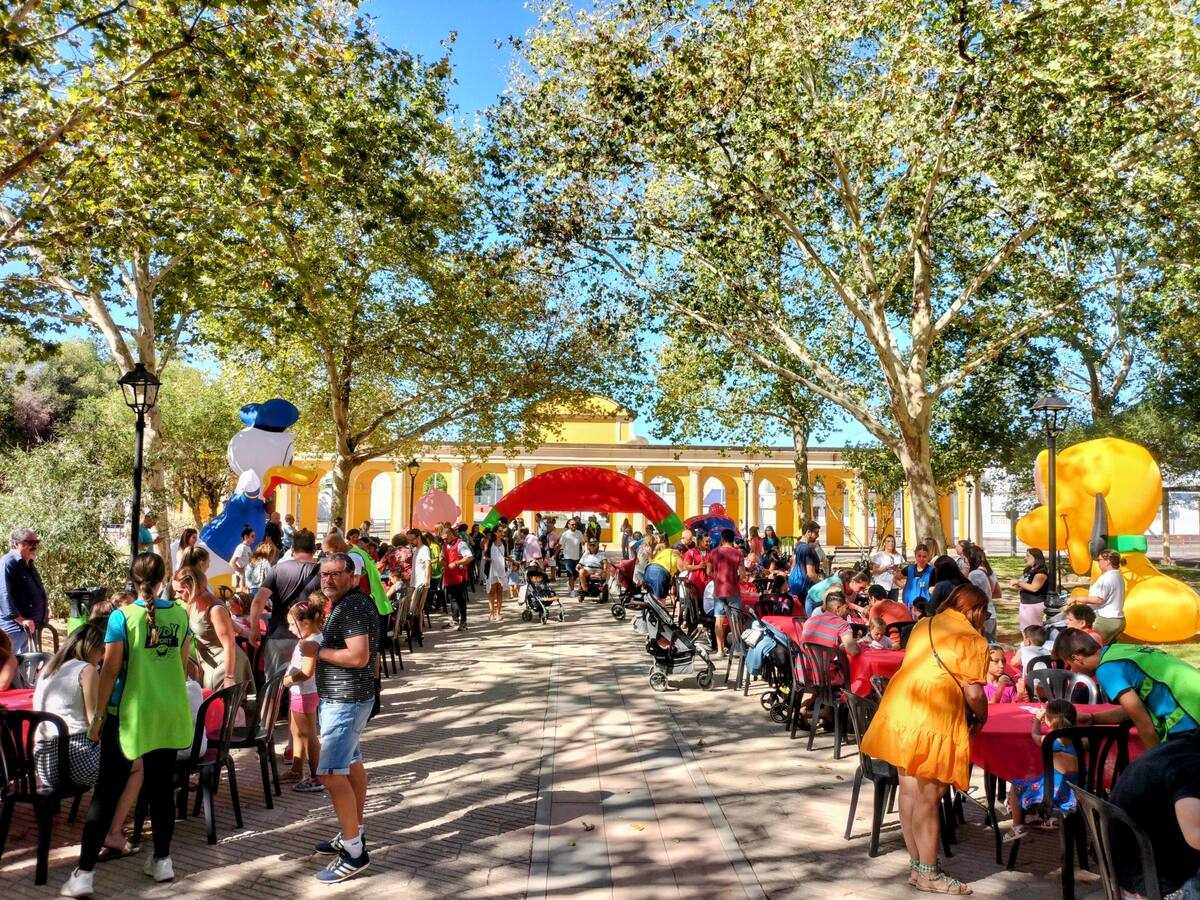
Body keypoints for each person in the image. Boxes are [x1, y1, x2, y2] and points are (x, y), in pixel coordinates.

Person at [61, 553, 192, 897]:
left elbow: (111, 669)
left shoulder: (122, 617)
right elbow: (181, 663)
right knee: (162, 789)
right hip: (167, 713)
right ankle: (163, 861)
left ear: (133, 580)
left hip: (129, 716)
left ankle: (84, 874)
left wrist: (99, 716)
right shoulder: (180, 615)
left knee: (106, 793)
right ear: (163, 579)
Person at [860, 583, 990, 895]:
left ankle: (918, 867)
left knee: (909, 791)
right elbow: (973, 692)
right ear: (975, 611)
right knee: (929, 798)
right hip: (934, 715)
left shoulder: (924, 624)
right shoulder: (972, 639)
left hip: (903, 709)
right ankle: (929, 873)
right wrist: (982, 716)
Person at [303, 552, 378, 883]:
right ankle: (354, 831)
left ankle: (354, 852)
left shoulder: (353, 607)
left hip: (346, 701)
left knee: (331, 774)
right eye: (323, 575)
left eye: (335, 574)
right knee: (352, 766)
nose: (328, 580)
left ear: (352, 575)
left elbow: (359, 657)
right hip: (350, 698)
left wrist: (317, 651)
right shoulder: (352, 603)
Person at [1053, 629, 1200, 748]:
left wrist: (1156, 762)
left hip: (1189, 717)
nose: (1073, 671)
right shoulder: (1118, 650)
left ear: (1077, 658)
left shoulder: (1106, 670)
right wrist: (1093, 718)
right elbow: (1134, 709)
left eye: (1069, 665)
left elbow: (1144, 724)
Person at [1110, 729, 1200, 898]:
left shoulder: (1179, 746)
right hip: (1159, 883)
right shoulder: (1191, 766)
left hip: (1128, 871)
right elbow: (1196, 836)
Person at [33, 622, 105, 790]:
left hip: (44, 763)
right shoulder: (87, 670)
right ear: (91, 648)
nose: (102, 657)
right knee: (135, 762)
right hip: (73, 759)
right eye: (102, 650)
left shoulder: (48, 669)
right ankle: (110, 815)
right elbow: (93, 723)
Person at [249, 528, 321, 679]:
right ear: (314, 549)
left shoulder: (277, 569)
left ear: (293, 549)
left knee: (275, 689)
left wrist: (254, 628)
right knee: (306, 689)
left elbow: (258, 600)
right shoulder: (321, 572)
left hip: (279, 636)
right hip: (310, 638)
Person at [1003, 700, 1079, 843]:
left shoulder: (1049, 740)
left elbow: (1034, 735)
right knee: (1035, 781)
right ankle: (1038, 816)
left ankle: (1017, 826)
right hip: (1079, 791)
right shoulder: (1083, 740)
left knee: (1016, 786)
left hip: (1053, 792)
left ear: (1049, 721)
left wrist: (1037, 720)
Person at [174, 566, 252, 697]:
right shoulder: (192, 604)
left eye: (180, 591)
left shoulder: (215, 609)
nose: (177, 596)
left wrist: (229, 676)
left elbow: (229, 644)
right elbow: (229, 623)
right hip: (210, 663)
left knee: (223, 710)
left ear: (193, 587)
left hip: (225, 664)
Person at [282, 594, 325, 793]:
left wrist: (289, 680)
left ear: (305, 622)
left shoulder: (308, 643)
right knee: (296, 731)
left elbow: (307, 672)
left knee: (308, 735)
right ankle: (297, 768)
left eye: (292, 625)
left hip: (305, 693)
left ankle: (316, 776)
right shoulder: (312, 638)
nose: (290, 629)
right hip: (301, 693)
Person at [0, 527, 47, 653]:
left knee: (26, 667)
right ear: (16, 543)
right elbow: (3, 595)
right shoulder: (7, 563)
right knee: (6, 666)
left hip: (30, 627)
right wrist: (21, 620)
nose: (34, 546)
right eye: (30, 543)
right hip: (14, 628)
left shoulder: (28, 563)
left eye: (36, 543)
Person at [708, 529, 744, 656]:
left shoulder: (713, 552)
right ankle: (738, 648)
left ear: (722, 539)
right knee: (735, 620)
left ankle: (720, 650)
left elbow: (708, 572)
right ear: (733, 539)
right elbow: (743, 576)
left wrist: (717, 577)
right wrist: (736, 579)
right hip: (733, 590)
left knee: (719, 620)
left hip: (719, 590)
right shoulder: (738, 554)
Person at [1078, 548, 1126, 643]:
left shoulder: (1107, 578)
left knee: (1089, 647)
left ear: (1108, 561)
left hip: (1106, 620)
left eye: (1099, 560)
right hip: (1118, 620)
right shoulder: (1118, 576)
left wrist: (1077, 598)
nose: (1098, 562)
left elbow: (1098, 600)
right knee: (1106, 650)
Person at [441, 525, 473, 631]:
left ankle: (463, 621)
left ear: (451, 534)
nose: (445, 540)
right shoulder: (445, 545)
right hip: (449, 575)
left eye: (446, 538)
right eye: (443, 539)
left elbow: (469, 557)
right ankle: (455, 619)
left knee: (460, 599)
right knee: (452, 598)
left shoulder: (461, 544)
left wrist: (456, 563)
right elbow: (443, 556)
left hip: (459, 575)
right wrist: (442, 560)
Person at [965, 545, 999, 640]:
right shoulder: (990, 572)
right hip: (990, 613)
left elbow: (971, 595)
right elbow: (997, 592)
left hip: (982, 615)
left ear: (970, 558)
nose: (965, 561)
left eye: (965, 558)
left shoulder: (975, 574)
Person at [1011, 548, 1049, 632]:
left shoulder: (1041, 572)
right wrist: (1019, 585)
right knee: (1024, 628)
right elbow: (1026, 584)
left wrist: (1018, 582)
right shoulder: (1028, 570)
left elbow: (1034, 588)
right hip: (1025, 603)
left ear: (1036, 557)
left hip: (1034, 604)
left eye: (1028, 556)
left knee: (1033, 630)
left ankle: (1033, 644)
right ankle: (1026, 644)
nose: (1025, 558)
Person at [406, 529, 430, 644]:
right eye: (409, 540)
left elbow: (428, 564)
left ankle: (418, 632)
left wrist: (426, 579)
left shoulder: (424, 549)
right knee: (413, 609)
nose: (410, 541)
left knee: (417, 608)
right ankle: (415, 632)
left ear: (418, 537)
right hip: (414, 582)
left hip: (420, 583)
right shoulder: (416, 549)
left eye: (412, 539)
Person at [790, 520, 822, 603]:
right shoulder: (807, 548)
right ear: (808, 532)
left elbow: (793, 565)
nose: (818, 536)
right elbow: (811, 574)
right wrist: (823, 584)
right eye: (816, 533)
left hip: (798, 586)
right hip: (808, 589)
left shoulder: (798, 545)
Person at [899, 544, 933, 609]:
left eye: (924, 556)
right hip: (909, 605)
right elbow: (896, 578)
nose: (921, 559)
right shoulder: (909, 569)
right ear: (915, 555)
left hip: (924, 607)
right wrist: (903, 586)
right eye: (919, 556)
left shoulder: (932, 571)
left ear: (928, 557)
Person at [643, 535, 676, 602]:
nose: (656, 539)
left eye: (657, 538)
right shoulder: (668, 547)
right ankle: (673, 604)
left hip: (657, 567)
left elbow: (652, 555)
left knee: (655, 593)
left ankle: (656, 607)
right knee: (666, 591)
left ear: (661, 539)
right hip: (665, 568)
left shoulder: (659, 546)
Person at [871, 535, 905, 601]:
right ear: (884, 543)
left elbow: (901, 572)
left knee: (893, 607)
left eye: (892, 541)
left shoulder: (898, 556)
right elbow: (874, 571)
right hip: (882, 585)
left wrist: (897, 570)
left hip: (894, 586)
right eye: (888, 541)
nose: (891, 543)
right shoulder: (879, 555)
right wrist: (887, 567)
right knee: (882, 607)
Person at [559, 519, 584, 597]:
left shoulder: (579, 533)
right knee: (571, 574)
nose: (574, 526)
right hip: (568, 557)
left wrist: (585, 550)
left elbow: (583, 542)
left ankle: (570, 583)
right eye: (572, 524)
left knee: (576, 574)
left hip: (577, 557)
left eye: (575, 525)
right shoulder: (565, 534)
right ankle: (572, 591)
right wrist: (555, 555)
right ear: (568, 525)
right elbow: (560, 545)